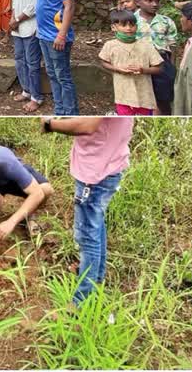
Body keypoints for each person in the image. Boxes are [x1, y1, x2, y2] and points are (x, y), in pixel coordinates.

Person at [41, 117, 133, 305]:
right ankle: (95, 278)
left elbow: (87, 125)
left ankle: (80, 302)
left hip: (95, 174)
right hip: (109, 164)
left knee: (88, 237)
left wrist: (50, 124)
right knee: (95, 227)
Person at [35, 0, 79, 116]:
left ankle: (71, 112)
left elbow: (69, 6)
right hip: (43, 36)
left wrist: (61, 35)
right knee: (52, 74)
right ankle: (59, 109)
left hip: (57, 37)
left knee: (63, 76)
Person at [99, 10, 163, 115]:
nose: (128, 28)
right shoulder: (110, 45)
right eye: (123, 25)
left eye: (132, 25)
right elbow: (103, 62)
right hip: (122, 95)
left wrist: (143, 70)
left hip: (145, 95)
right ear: (113, 27)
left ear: (136, 27)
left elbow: (158, 68)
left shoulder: (146, 45)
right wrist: (117, 69)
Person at [133, 0, 179, 115]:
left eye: (157, 1)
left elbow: (172, 45)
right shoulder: (131, 21)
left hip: (162, 61)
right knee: (141, 97)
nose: (154, 4)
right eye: (149, 1)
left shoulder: (166, 21)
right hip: (139, 62)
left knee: (164, 97)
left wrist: (171, 66)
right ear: (137, 2)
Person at [9, 0, 44, 112]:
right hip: (17, 29)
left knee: (32, 64)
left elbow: (33, 6)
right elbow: (15, 3)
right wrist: (12, 19)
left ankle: (36, 97)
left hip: (30, 27)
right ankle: (26, 90)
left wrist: (17, 20)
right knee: (19, 60)